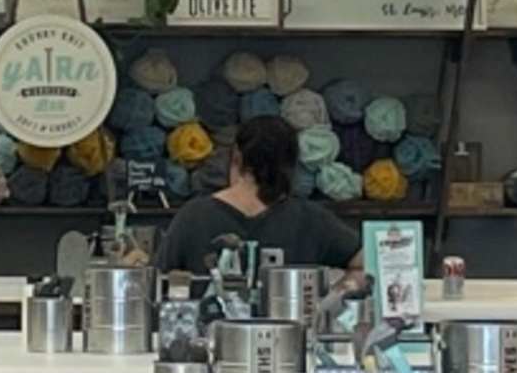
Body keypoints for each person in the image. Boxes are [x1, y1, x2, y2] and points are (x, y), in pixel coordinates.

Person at [152, 109, 361, 281]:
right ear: (291, 164)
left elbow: (159, 278)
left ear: (237, 157)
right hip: (291, 328)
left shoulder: (194, 215)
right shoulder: (311, 218)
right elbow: (365, 264)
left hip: (211, 330)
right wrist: (336, 296)